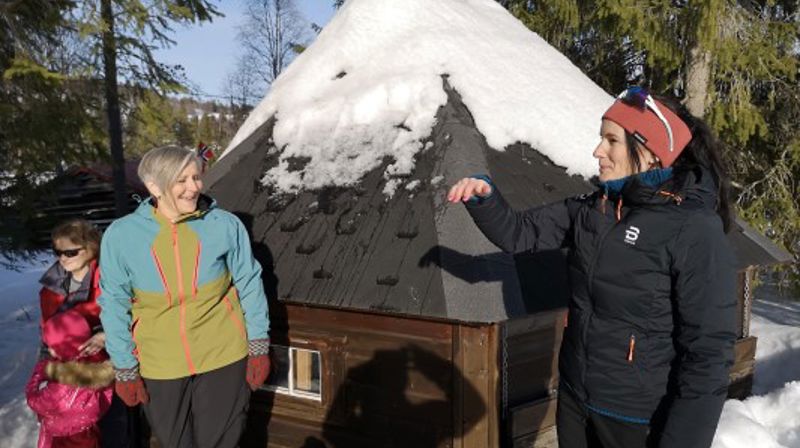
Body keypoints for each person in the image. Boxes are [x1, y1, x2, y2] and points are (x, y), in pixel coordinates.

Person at [447, 87, 737, 448]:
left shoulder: (693, 229)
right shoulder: (594, 208)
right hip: (575, 400)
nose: (597, 151)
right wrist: (484, 197)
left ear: (649, 154)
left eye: (611, 140)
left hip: (636, 418)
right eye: (601, 138)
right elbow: (520, 234)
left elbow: (708, 352)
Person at [98, 145, 271, 448]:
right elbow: (113, 304)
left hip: (223, 354)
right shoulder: (121, 235)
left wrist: (258, 345)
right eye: (182, 180)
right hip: (158, 360)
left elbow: (250, 283)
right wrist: (125, 368)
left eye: (196, 177)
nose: (194, 187)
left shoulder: (225, 225)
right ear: (154, 186)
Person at [39, 219, 138, 448]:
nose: (63, 257)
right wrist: (46, 368)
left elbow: (134, 316)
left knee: (113, 432)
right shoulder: (49, 289)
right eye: (58, 251)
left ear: (91, 247)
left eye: (70, 251)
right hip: (68, 378)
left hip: (109, 370)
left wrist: (105, 336)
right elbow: (45, 332)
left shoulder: (111, 279)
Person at [26, 310, 115, 448]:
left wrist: (37, 375)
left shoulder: (62, 385)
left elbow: (36, 402)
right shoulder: (98, 370)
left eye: (52, 347)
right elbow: (105, 401)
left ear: (65, 348)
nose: (49, 351)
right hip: (89, 433)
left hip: (62, 439)